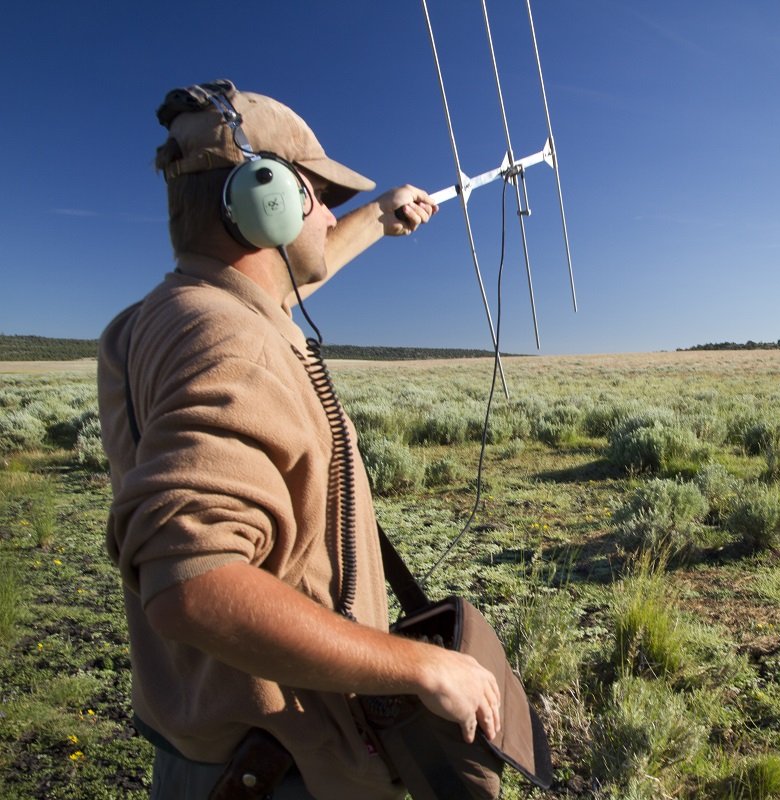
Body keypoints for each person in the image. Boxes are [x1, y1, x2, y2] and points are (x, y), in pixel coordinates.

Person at [97, 81, 501, 799]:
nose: (328, 215)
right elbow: (193, 585)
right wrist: (423, 669)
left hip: (215, 757)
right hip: (282, 774)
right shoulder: (227, 342)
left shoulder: (157, 319)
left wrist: (377, 217)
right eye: (319, 195)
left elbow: (270, 295)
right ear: (268, 201)